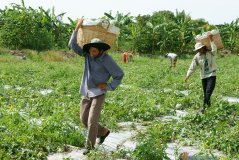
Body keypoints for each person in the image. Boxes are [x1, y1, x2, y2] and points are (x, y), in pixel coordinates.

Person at [68, 17, 124, 155]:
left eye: (94, 51)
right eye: (91, 50)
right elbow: (72, 45)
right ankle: (103, 132)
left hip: (99, 92)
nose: (92, 53)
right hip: (87, 91)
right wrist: (77, 28)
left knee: (92, 121)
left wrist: (109, 85)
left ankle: (90, 147)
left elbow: (119, 74)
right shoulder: (87, 55)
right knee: (83, 119)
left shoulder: (107, 60)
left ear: (100, 51)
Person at [185, 34, 217, 113]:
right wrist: (187, 75)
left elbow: (215, 49)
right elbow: (192, 67)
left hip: (211, 75)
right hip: (203, 76)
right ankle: (208, 108)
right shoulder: (197, 57)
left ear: (203, 47)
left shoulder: (210, 53)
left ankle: (204, 108)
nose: (199, 50)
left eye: (200, 49)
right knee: (205, 92)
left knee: (208, 92)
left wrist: (211, 40)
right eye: (198, 50)